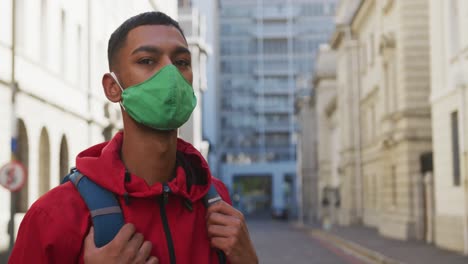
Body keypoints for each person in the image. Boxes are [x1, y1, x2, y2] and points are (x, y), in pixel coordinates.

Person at [9, 11, 258, 264]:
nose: (170, 75)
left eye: (181, 62)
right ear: (113, 88)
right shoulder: (55, 215)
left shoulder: (217, 202)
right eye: (148, 60)